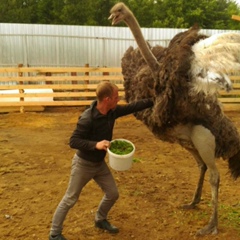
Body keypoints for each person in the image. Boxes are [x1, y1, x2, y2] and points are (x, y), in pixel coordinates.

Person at [49, 81, 153, 240]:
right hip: (83, 165)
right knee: (70, 198)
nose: (119, 100)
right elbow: (74, 141)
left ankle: (100, 219)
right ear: (107, 99)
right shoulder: (88, 118)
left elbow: (132, 107)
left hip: (99, 164)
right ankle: (54, 234)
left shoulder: (112, 111)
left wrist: (154, 99)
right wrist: (95, 144)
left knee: (112, 193)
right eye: (116, 97)